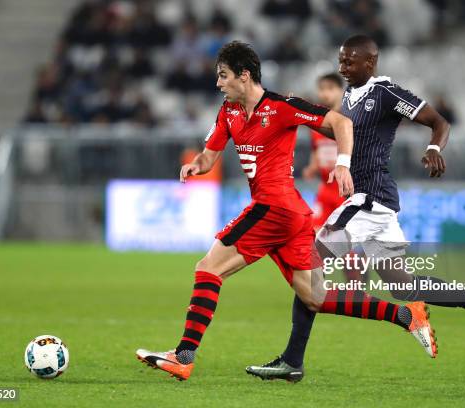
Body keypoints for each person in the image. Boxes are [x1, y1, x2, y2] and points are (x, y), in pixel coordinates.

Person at [136, 41, 437, 381]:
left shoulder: (282, 106)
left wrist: (342, 164)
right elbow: (210, 154)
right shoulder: (229, 112)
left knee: (208, 268)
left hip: (274, 207)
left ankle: (184, 355)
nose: (218, 84)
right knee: (315, 296)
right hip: (292, 215)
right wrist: (196, 165)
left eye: (223, 76)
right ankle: (406, 317)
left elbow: (342, 124)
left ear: (244, 76)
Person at [246, 34, 465, 382]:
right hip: (377, 203)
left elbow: (439, 122)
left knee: (307, 262)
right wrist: (303, 111)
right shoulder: (350, 97)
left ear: (369, 63)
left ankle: (292, 361)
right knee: (404, 287)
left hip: (368, 200)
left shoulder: (385, 92)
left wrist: (435, 148)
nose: (342, 66)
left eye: (349, 61)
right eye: (340, 60)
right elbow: (347, 136)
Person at [302, 73, 347, 230]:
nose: (325, 93)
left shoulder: (349, 121)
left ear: (341, 91)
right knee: (315, 234)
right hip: (326, 189)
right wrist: (312, 167)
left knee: (343, 242)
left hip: (347, 191)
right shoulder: (317, 123)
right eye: (321, 89)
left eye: (330, 88)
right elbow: (317, 149)